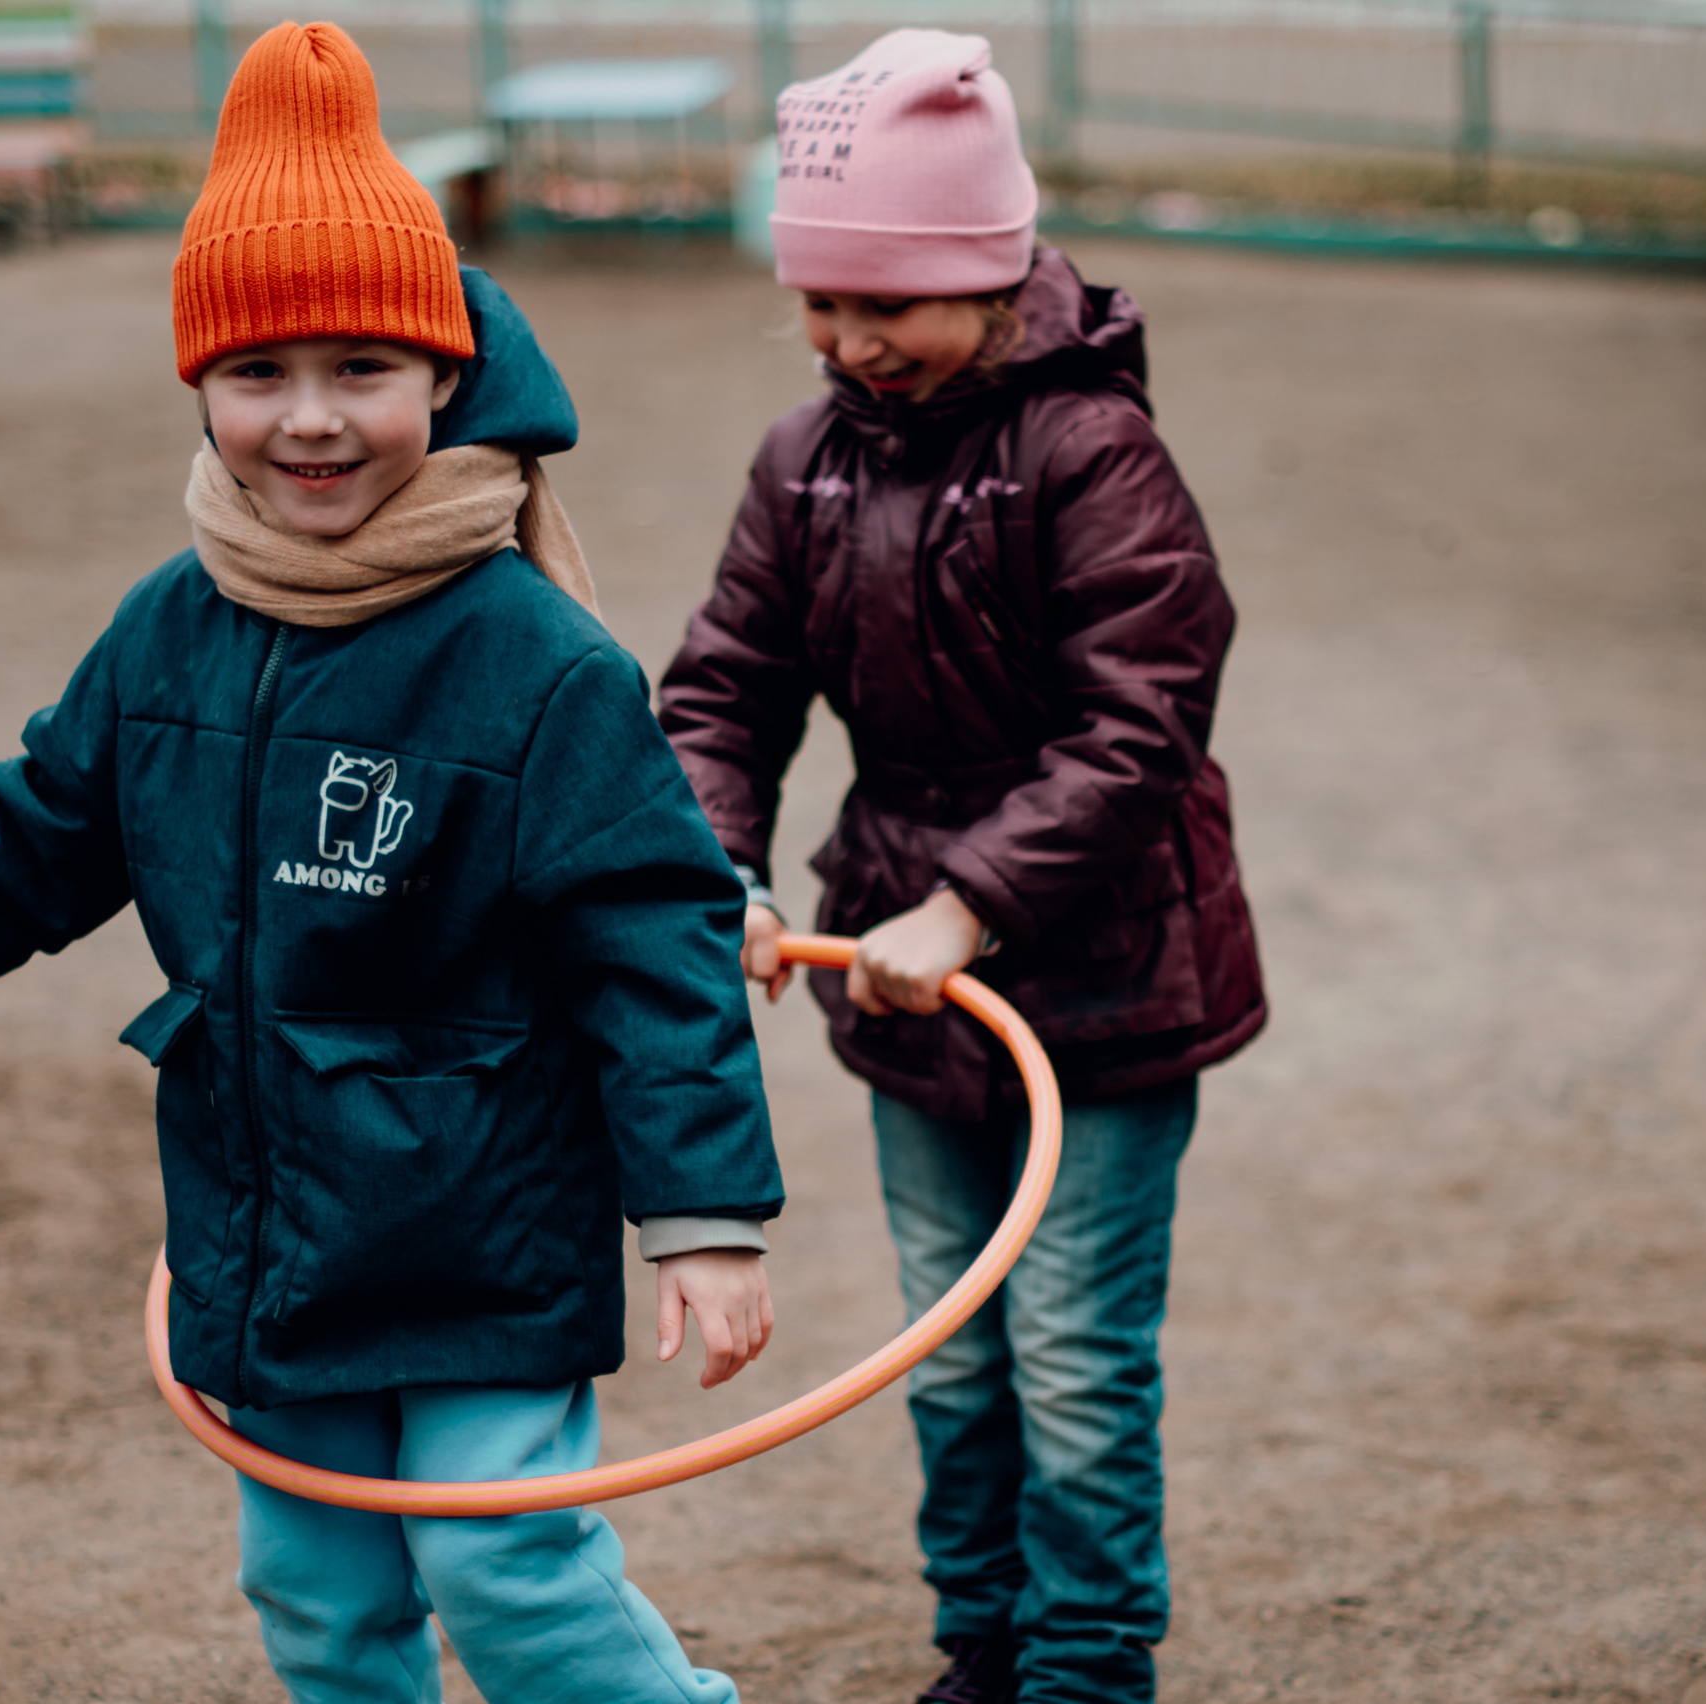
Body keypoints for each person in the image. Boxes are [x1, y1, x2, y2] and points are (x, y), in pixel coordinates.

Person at [0, 23, 782, 1704]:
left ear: (447, 376)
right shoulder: (171, 624)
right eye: (259, 372)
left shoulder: (537, 661)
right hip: (269, 1217)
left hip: (484, 1218)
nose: (312, 421)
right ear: (200, 385)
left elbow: (656, 939)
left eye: (364, 368)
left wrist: (704, 1217)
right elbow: (41, 827)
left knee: (503, 1557)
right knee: (317, 1589)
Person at [659, 28, 1268, 1704]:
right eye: (823, 305)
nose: (856, 345)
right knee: (951, 1347)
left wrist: (970, 900)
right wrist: (732, 881)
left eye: (893, 305)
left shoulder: (1091, 456)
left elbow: (1142, 724)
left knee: (1072, 1354)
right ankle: (985, 1644)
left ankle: (1084, 1669)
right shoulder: (805, 460)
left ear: (992, 273)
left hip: (1104, 977)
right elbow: (721, 689)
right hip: (908, 985)